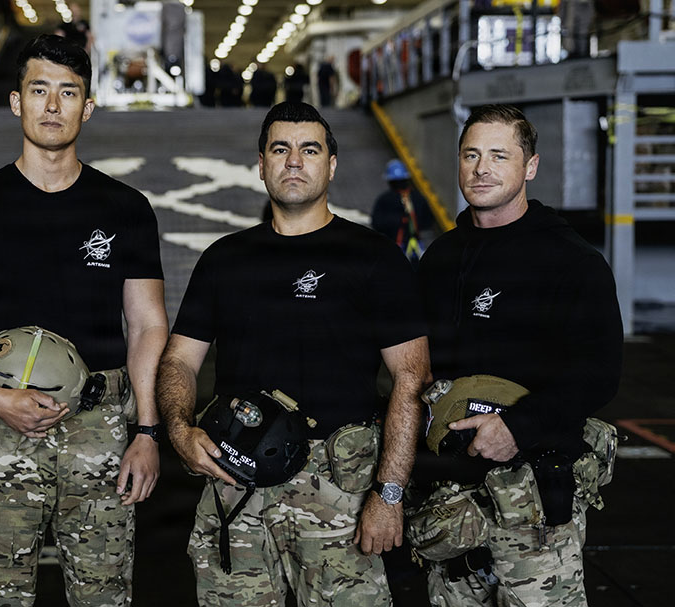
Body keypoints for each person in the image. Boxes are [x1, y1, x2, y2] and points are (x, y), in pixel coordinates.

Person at [0, 34, 168, 606]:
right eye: (39, 90)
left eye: (68, 92)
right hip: (1, 423)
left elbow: (148, 324)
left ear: (88, 106)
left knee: (104, 595)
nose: (53, 106)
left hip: (100, 425)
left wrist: (148, 430)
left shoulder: (125, 209)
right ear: (16, 102)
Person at [156, 101, 430, 606]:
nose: (295, 161)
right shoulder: (225, 259)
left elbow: (412, 379)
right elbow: (178, 361)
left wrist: (388, 494)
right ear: (261, 164)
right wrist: (179, 430)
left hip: (339, 491)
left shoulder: (373, 259)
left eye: (310, 149)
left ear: (332, 164)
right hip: (235, 481)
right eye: (280, 149)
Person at [416, 104, 622, 606]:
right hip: (452, 504)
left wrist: (516, 428)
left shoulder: (572, 262)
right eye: (470, 155)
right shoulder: (439, 259)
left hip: (534, 505)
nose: (481, 168)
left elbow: (598, 374)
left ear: (529, 167)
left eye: (498, 156)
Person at [371, 159, 435, 265]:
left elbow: (376, 223)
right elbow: (428, 221)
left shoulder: (384, 200)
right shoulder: (418, 198)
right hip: (415, 247)